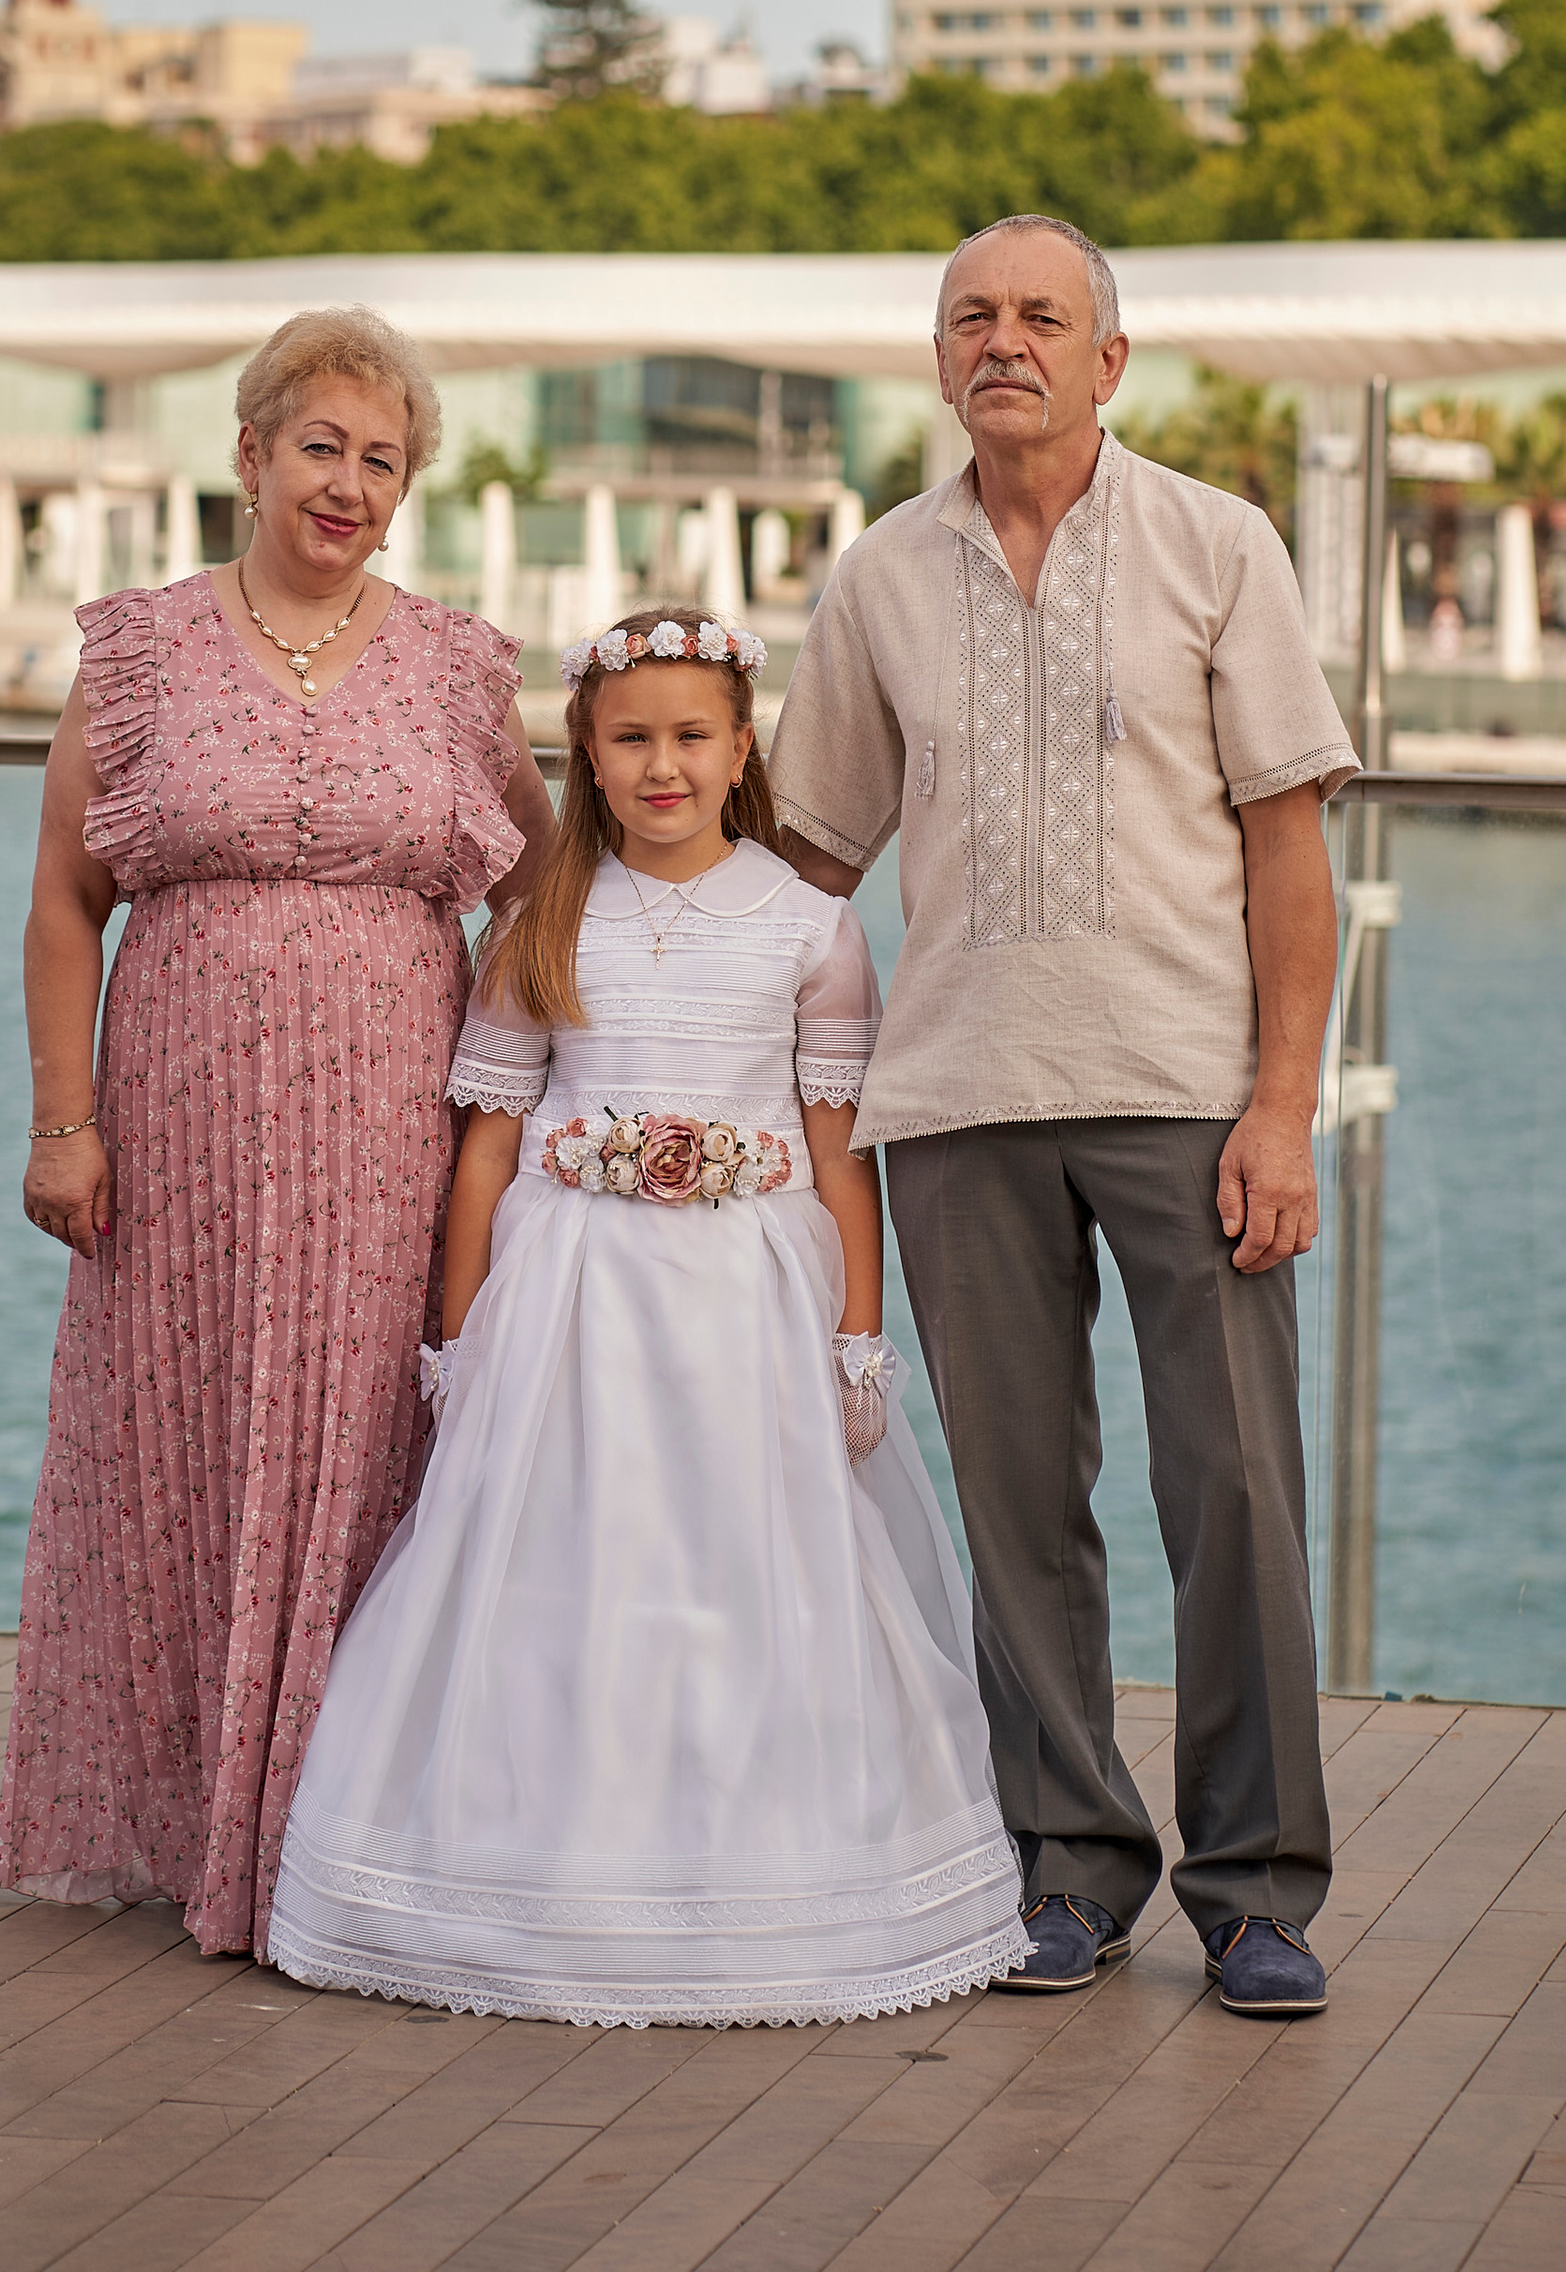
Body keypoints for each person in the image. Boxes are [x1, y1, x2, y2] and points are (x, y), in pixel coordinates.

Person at [266, 604, 1026, 2027]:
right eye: (631, 741)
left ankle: (768, 1879)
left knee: (741, 1567)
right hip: (572, 1300)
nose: (661, 765)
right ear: (590, 758)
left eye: (691, 736)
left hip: (746, 1299)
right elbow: (487, 1149)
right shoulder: (546, 919)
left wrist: (862, 1340)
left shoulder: (810, 927)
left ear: (744, 749)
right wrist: (457, 1337)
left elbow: (836, 1148)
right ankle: (529, 1879)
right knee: (566, 1564)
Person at [766, 217, 1356, 2019]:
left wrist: (1283, 1105)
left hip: (1189, 1098)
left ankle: (1254, 1890)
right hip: (951, 1103)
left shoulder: (1215, 545)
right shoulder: (875, 581)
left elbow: (1287, 844)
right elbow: (803, 857)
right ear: (939, 362)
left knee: (1236, 1492)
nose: (1003, 340)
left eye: (1041, 315)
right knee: (1020, 1508)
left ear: (1112, 359)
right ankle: (1069, 1873)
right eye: (972, 318)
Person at [0, 305, 551, 1959]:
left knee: (372, 1441)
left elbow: (546, 885)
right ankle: (194, 1825)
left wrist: (533, 1102)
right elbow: (59, 904)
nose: (350, 484)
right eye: (322, 446)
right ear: (248, 454)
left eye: (383, 462)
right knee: (183, 1444)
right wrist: (61, 1123)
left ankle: (344, 1833)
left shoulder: (457, 664)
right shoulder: (145, 651)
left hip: (393, 1125)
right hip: (178, 1133)